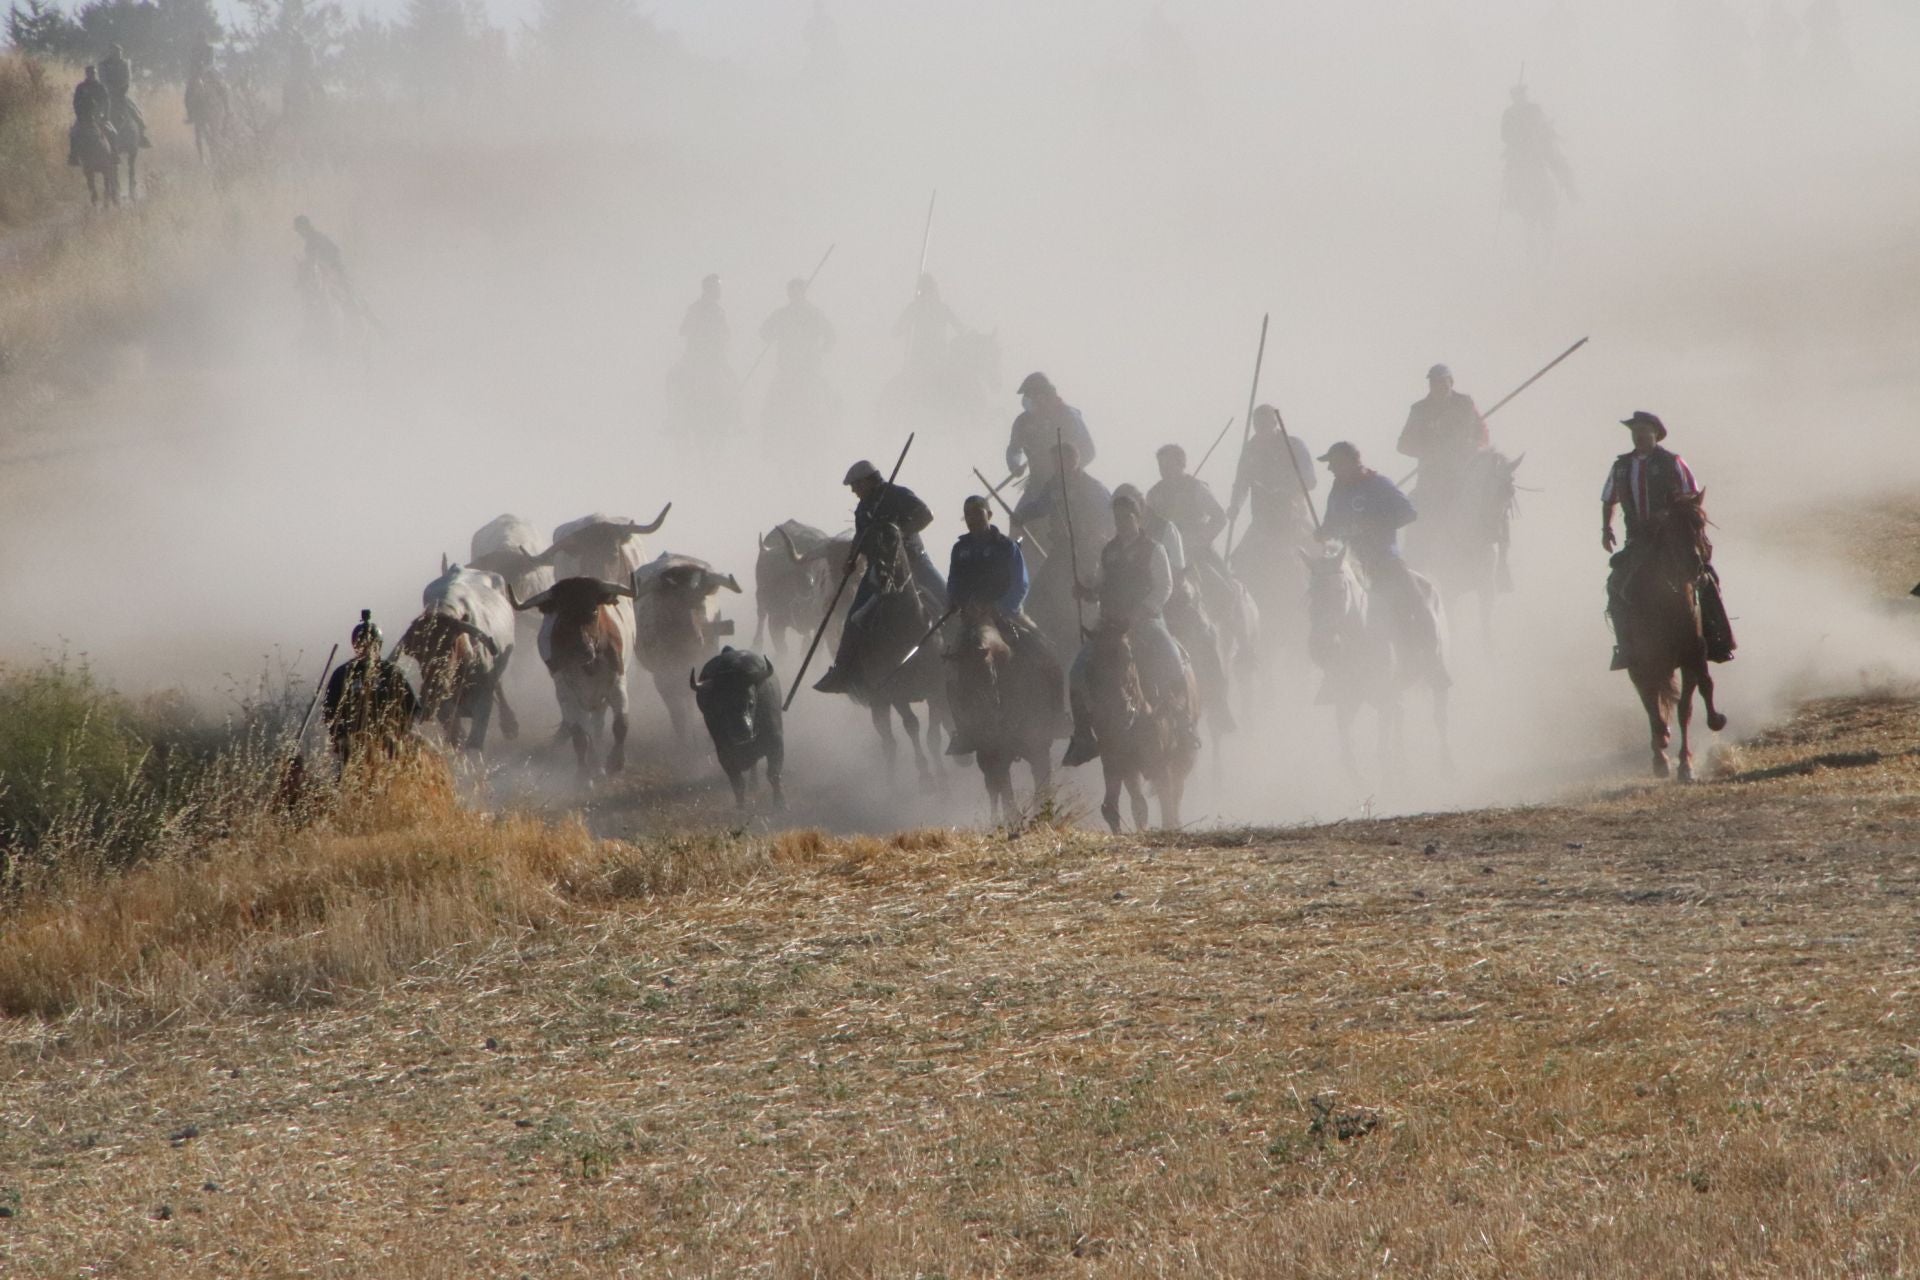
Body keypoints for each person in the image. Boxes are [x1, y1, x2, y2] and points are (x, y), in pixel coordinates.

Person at [1063, 492, 1192, 766]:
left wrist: (1142, 611)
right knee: (1076, 672)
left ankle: (1184, 725)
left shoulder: (1154, 549)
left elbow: (1164, 586)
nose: (1121, 522)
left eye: (1126, 516)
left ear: (1137, 517)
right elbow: (1100, 584)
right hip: (1109, 625)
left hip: (1146, 622)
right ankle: (1083, 735)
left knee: (1174, 661)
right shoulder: (1108, 551)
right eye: (1117, 517)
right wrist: (1086, 591)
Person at [1601, 410, 1730, 669]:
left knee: (1702, 577)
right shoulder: (1621, 466)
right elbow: (1608, 498)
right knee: (1616, 585)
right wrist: (1606, 528)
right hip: (1637, 539)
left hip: (1672, 536)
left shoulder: (1673, 462)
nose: (1638, 436)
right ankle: (1626, 646)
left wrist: (1668, 514)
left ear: (1655, 434)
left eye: (1643, 431)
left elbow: (1691, 497)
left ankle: (1717, 640)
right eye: (1635, 431)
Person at [813, 460, 946, 693]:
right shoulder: (863, 509)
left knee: (949, 600)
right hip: (879, 566)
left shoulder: (897, 495)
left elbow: (926, 515)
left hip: (914, 562)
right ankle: (842, 669)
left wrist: (897, 533)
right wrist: (852, 558)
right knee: (854, 617)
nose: (853, 491)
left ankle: (960, 657)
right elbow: (861, 538)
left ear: (866, 480)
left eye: (855, 485)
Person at [323, 611, 418, 766]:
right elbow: (329, 709)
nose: (366, 649)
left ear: (378, 645)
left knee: (409, 759)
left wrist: (400, 731)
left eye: (371, 645)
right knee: (346, 766)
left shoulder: (391, 672)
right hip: (352, 737)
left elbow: (412, 707)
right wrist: (340, 735)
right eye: (362, 645)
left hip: (388, 737)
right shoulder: (343, 673)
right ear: (355, 646)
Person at [1317, 440, 1416, 575]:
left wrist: (1376, 524)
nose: (1330, 468)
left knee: (1412, 596)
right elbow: (1330, 524)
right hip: (1346, 564)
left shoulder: (1378, 484)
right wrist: (1323, 533)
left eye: (1334, 463)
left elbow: (1408, 513)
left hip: (1383, 560)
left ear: (1350, 462)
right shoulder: (1336, 492)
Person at [1228, 403, 1316, 549]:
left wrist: (1284, 489)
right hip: (1261, 519)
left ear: (1274, 423)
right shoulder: (1250, 450)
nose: (1261, 428)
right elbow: (1241, 484)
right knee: (1239, 559)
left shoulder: (1293, 445)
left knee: (1320, 552)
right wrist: (1235, 506)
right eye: (1257, 424)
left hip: (1292, 515)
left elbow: (1311, 481)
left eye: (1264, 424)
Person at [1005, 372, 1096, 490]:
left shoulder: (1068, 416)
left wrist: (1066, 473)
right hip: (1037, 486)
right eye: (1027, 395)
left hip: (1071, 484)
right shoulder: (1023, 422)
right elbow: (1014, 448)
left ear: (1044, 395)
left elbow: (1089, 451)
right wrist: (1014, 465)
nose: (1028, 399)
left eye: (1031, 394)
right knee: (1024, 509)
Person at [1147, 443, 1228, 570]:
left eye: (1169, 466)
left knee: (1222, 585)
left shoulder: (1197, 488)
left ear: (1181, 464)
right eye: (1161, 466)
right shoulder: (1154, 494)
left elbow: (1220, 518)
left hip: (1198, 555)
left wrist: (1198, 540)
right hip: (1165, 555)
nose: (1164, 470)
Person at [894, 273, 961, 379]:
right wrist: (904, 326)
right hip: (919, 361)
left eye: (930, 290)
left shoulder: (942, 309)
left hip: (941, 360)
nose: (928, 294)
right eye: (926, 290)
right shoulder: (915, 308)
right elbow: (896, 331)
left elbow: (960, 328)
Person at [98, 43, 150, 148]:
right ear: (110, 53)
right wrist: (110, 90)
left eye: (119, 53)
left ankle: (142, 136)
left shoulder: (125, 63)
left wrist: (121, 90)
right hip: (107, 94)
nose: (118, 55)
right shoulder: (103, 65)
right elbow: (103, 80)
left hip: (121, 94)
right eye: (115, 52)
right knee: (94, 113)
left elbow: (127, 78)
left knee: (136, 113)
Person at [70, 67, 108, 166]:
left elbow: (106, 102)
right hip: (83, 117)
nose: (91, 75)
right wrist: (79, 115)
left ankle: (113, 155)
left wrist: (105, 116)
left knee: (113, 132)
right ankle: (73, 156)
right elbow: (75, 102)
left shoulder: (100, 87)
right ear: (86, 74)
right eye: (89, 73)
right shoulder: (81, 87)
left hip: (98, 116)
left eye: (93, 73)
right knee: (73, 133)